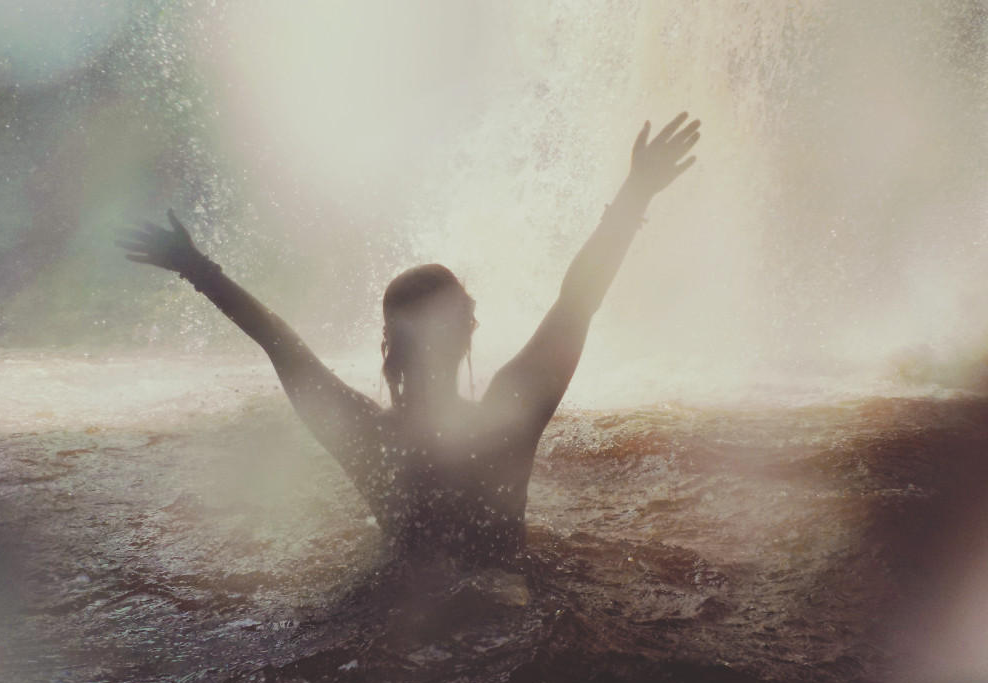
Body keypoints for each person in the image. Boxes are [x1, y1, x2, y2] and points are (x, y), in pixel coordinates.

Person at [116, 113, 700, 565]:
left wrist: (198, 269)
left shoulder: (366, 435)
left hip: (391, 620)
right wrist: (635, 195)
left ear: (388, 346)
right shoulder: (507, 416)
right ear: (468, 334)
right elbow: (578, 302)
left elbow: (278, 341)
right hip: (505, 606)